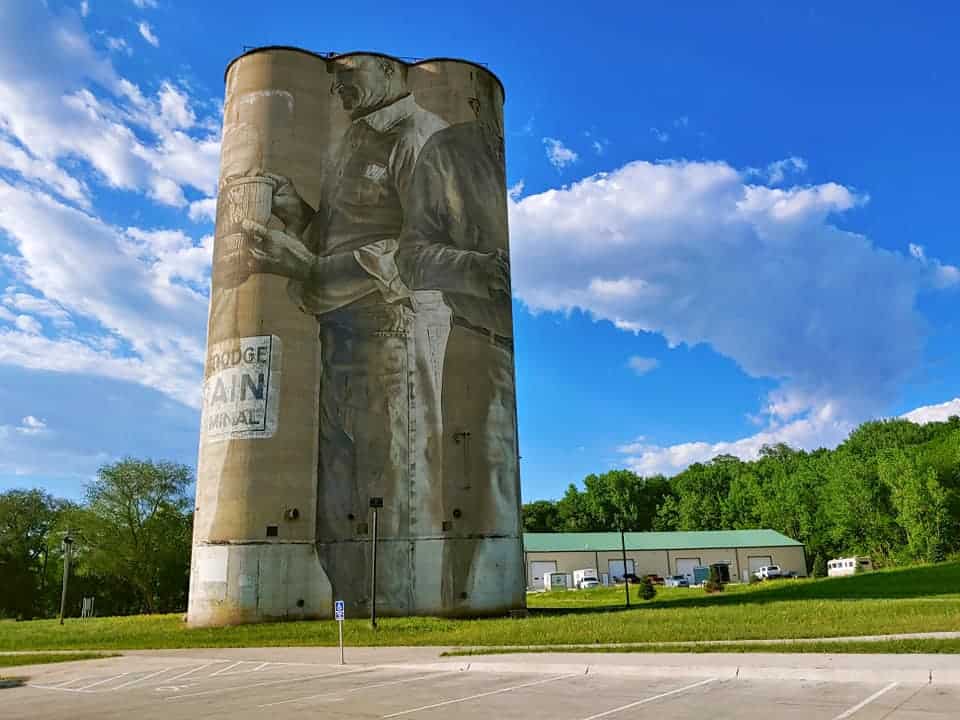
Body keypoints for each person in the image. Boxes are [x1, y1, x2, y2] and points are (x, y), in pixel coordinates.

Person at [242, 53, 450, 614]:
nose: (336, 87)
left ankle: (403, 613)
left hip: (393, 335)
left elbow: (420, 254)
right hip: (343, 334)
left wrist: (307, 266)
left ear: (389, 74)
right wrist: (296, 217)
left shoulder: (421, 137)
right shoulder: (354, 139)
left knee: (391, 494)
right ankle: (357, 615)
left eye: (347, 74)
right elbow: (343, 240)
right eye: (331, 79)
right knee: (337, 504)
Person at [396, 91, 524, 611]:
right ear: (477, 101)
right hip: (472, 344)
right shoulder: (448, 151)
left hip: (504, 349)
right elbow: (412, 257)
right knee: (466, 495)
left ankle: (498, 596)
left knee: (502, 497)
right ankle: (460, 602)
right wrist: (477, 268)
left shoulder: (496, 162)